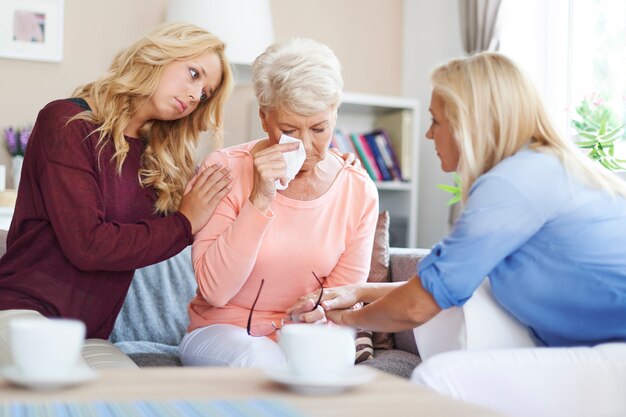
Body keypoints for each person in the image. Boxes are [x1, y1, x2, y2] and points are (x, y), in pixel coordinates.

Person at [292, 52, 626, 417]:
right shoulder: (536, 169)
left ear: (471, 124)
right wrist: (360, 292)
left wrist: (345, 320)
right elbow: (446, 288)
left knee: (439, 380)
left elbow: (420, 304)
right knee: (461, 306)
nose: (428, 133)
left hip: (617, 354)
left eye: (436, 121)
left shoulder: (513, 184)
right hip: (592, 345)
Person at [0, 22, 234, 369]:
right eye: (193, 73)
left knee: (129, 401)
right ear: (160, 55)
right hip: (25, 313)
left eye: (204, 94)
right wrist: (185, 223)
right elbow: (88, 245)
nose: (194, 96)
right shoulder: (66, 122)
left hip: (90, 335)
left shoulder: (157, 157)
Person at [178, 38, 379, 369]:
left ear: (334, 115)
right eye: (289, 130)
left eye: (319, 128)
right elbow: (215, 291)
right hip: (221, 332)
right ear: (264, 119)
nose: (307, 146)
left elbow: (342, 300)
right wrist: (260, 197)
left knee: (332, 357)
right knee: (261, 358)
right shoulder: (224, 169)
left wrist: (317, 313)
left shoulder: (358, 191)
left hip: (301, 335)